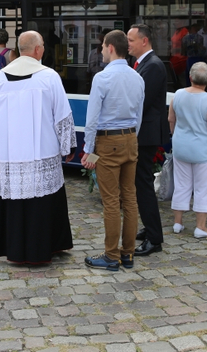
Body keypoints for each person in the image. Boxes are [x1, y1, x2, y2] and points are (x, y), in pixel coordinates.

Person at [0, 31, 76, 264]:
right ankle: (48, 246)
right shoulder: (49, 77)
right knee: (44, 200)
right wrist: (68, 146)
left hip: (9, 154)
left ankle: (13, 248)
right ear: (37, 50)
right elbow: (62, 115)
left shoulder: (0, 78)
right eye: (43, 45)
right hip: (43, 151)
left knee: (14, 200)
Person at [81, 30, 145, 271]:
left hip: (108, 141)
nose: (101, 51)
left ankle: (111, 255)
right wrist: (131, 138)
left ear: (110, 48)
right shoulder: (137, 77)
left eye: (102, 47)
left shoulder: (102, 78)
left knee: (110, 201)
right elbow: (138, 114)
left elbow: (92, 118)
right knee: (129, 197)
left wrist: (88, 149)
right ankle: (127, 254)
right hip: (130, 138)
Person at [169, 62, 207, 238]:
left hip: (180, 147)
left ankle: (178, 223)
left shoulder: (177, 95)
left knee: (181, 184)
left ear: (190, 77)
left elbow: (171, 119)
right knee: (202, 187)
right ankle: (200, 227)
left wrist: (176, 136)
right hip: (202, 151)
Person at [126, 24, 167, 257]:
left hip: (146, 134)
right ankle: (150, 229)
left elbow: (141, 101)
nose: (128, 44)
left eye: (131, 40)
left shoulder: (152, 66)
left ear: (144, 41)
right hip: (145, 132)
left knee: (143, 185)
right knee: (140, 184)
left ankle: (154, 238)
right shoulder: (144, 64)